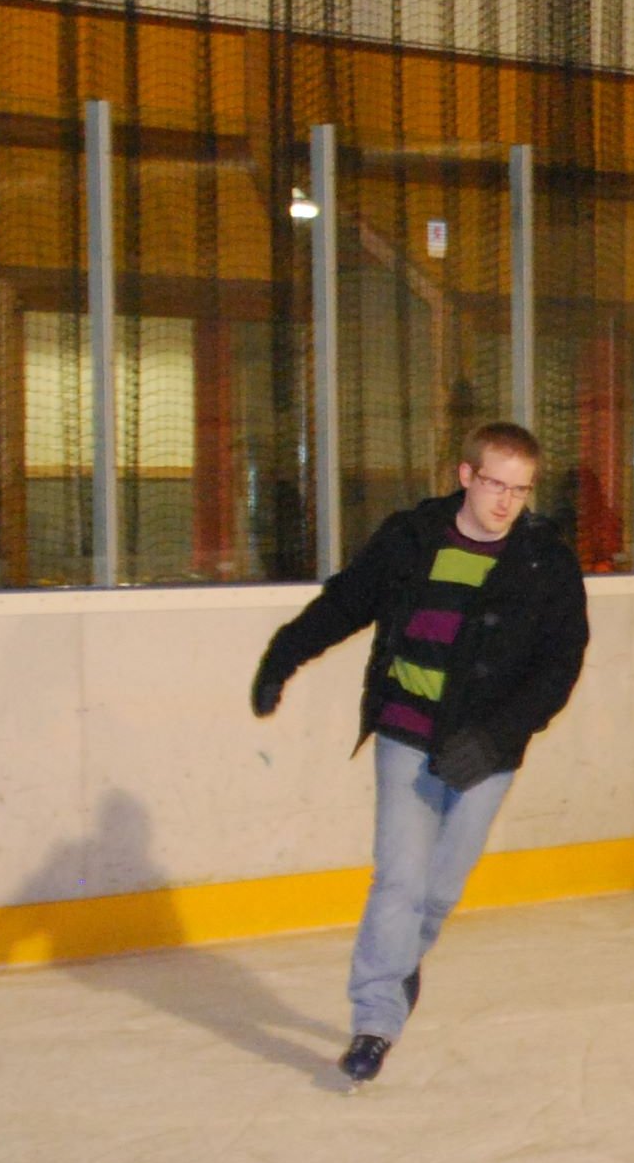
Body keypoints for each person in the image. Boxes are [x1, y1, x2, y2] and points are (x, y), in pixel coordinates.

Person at [250, 422, 590, 1083]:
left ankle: (403, 962)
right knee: (400, 880)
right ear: (465, 475)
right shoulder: (411, 538)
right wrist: (282, 655)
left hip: (486, 749)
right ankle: (375, 1022)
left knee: (438, 892)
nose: (506, 503)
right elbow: (346, 602)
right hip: (407, 733)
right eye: (495, 484)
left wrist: (495, 738)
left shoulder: (545, 560)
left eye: (520, 490)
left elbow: (560, 665)